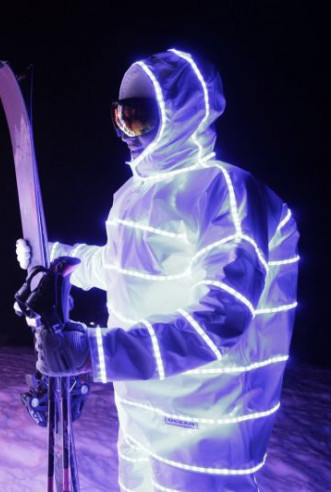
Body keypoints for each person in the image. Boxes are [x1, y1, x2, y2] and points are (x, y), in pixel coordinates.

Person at [16, 49, 299, 491]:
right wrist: (55, 254)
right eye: (120, 117)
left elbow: (218, 321)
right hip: (138, 411)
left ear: (180, 115)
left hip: (205, 430)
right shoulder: (133, 194)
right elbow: (119, 268)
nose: (127, 132)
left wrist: (94, 353)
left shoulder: (227, 192)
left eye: (140, 119)